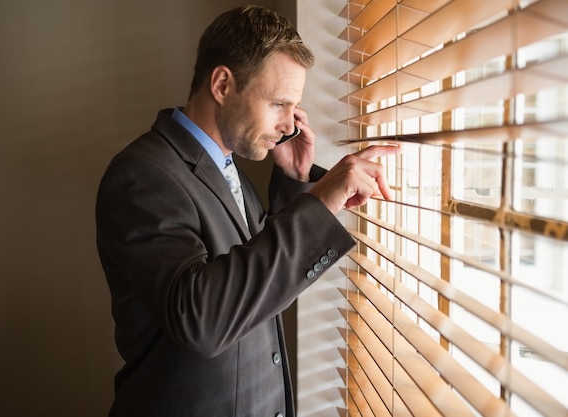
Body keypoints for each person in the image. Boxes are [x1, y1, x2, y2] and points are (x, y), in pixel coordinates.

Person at [95, 5, 399, 417]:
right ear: (222, 84)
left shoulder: (226, 166)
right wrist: (320, 200)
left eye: (294, 109)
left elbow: (252, 285)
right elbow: (202, 318)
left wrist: (297, 180)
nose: (290, 126)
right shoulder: (143, 174)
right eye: (278, 104)